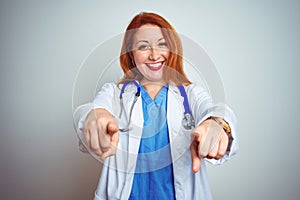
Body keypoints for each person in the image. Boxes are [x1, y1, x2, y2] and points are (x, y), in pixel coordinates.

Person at [73, 12, 238, 200]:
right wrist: (95, 116)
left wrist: (217, 124)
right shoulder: (114, 94)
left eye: (162, 44)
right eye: (143, 46)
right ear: (131, 55)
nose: (154, 55)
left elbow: (216, 110)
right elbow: (87, 111)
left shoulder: (190, 94)